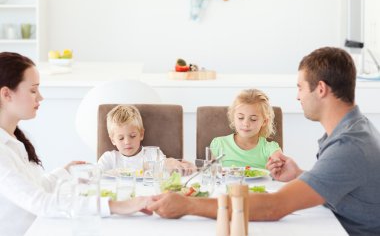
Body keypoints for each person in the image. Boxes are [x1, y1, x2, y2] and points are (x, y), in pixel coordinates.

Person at [147, 47, 380, 236]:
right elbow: (341, 183)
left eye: (300, 87)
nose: (297, 96)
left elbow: (274, 207)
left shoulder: (348, 145)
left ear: (320, 89)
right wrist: (299, 175)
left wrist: (187, 206)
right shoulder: (354, 128)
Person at [0, 52, 152, 236]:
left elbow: (35, 187)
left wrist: (65, 171)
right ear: (6, 94)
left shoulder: (14, 140)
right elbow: (40, 202)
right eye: (33, 90)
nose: (40, 97)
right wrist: (116, 206)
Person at [98, 104, 194, 174]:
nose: (127, 142)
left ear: (141, 134)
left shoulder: (152, 154)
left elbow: (166, 166)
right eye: (121, 138)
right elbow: (94, 175)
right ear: (113, 140)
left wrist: (176, 164)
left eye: (132, 136)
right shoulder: (109, 159)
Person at [210, 89, 282, 168]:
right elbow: (213, 174)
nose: (246, 124)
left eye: (253, 119)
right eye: (240, 118)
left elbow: (280, 163)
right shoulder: (219, 144)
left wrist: (278, 163)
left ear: (264, 121)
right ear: (234, 118)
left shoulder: (270, 148)